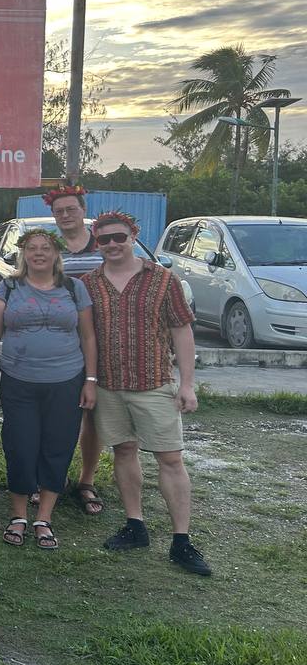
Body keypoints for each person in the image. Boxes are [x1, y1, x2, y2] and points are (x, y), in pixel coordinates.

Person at [83, 212, 210, 576]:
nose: (112, 244)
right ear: (96, 243)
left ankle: (181, 540)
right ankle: (134, 524)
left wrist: (187, 384)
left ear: (134, 236)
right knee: (123, 452)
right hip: (109, 385)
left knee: (170, 459)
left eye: (119, 237)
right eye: (104, 239)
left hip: (154, 383)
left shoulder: (164, 279)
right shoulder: (89, 283)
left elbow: (182, 330)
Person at [0, 228, 96, 551]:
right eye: (32, 248)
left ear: (56, 253)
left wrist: (91, 381)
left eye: (46, 248)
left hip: (66, 381)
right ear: (24, 253)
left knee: (58, 446)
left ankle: (44, 518)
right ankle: (18, 515)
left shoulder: (74, 288)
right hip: (19, 381)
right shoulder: (9, 286)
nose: (39, 253)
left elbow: (88, 336)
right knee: (20, 446)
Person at [44, 183, 104, 517]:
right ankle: (53, 477)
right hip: (62, 342)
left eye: (71, 209)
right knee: (55, 416)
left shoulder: (105, 244)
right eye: (59, 211)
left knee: (92, 415)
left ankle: (86, 480)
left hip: (101, 339)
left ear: (83, 210)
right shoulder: (50, 248)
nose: (65, 215)